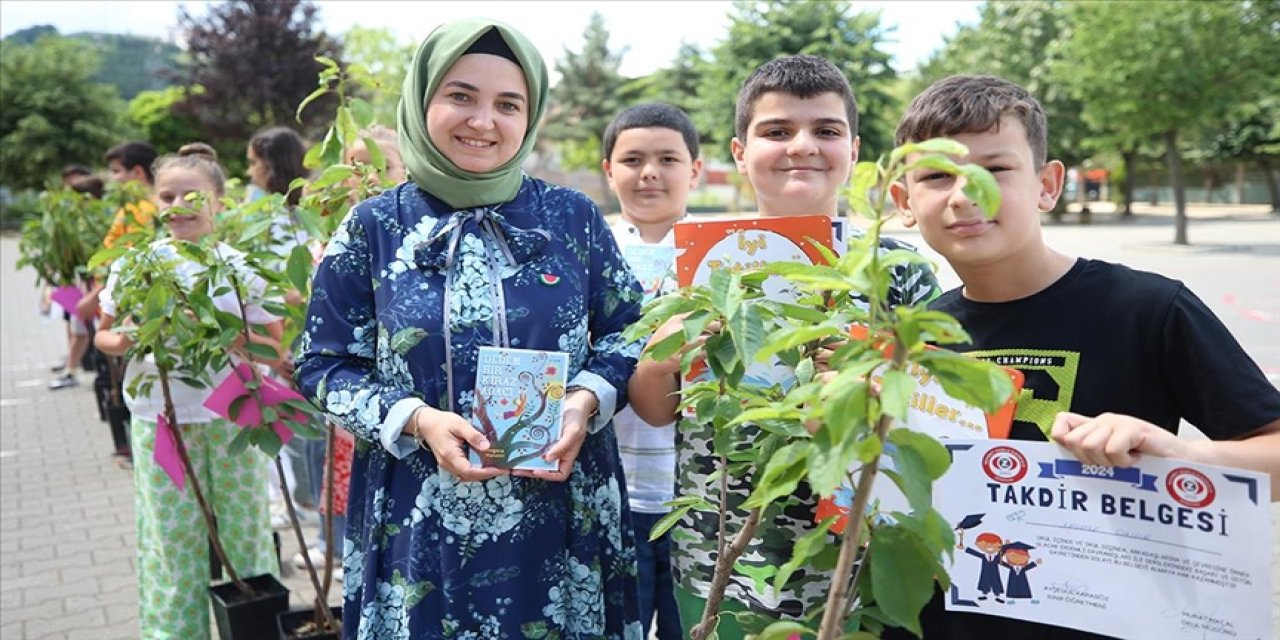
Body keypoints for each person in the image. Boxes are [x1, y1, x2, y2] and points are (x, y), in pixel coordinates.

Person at [886, 74, 1280, 639]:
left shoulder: (1150, 308)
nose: (964, 195)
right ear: (904, 202)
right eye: (935, 176)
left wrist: (1182, 456)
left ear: (1047, 184)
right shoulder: (909, 341)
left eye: (995, 170)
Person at [295, 19, 645, 638]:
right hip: (419, 515)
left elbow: (630, 330)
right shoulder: (373, 227)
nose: (484, 121)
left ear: (529, 116)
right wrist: (416, 419)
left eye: (508, 104)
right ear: (422, 99)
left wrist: (586, 399)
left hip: (563, 511)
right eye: (461, 96)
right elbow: (322, 364)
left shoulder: (573, 218)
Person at [626, 55, 941, 638]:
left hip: (855, 561)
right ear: (740, 153)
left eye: (826, 130)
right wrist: (667, 349)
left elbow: (940, 413)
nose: (802, 146)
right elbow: (655, 408)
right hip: (716, 555)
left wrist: (867, 384)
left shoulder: (896, 269)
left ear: (854, 149)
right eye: (776, 131)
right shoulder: (696, 265)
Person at [94, 142, 281, 639]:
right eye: (167, 197)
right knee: (172, 542)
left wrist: (218, 328)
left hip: (233, 417)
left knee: (246, 537)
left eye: (190, 196)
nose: (177, 208)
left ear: (218, 202)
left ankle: (256, 630)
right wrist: (134, 335)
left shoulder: (240, 269)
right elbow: (103, 334)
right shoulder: (137, 267)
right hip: (163, 421)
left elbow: (272, 348)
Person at [602, 102, 702, 640]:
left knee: (689, 626)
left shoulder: (723, 255)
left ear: (696, 170)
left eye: (668, 159)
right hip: (612, 487)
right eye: (632, 159)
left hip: (700, 494)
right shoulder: (589, 251)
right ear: (608, 170)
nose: (649, 173)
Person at [291, 125, 407, 575]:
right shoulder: (331, 238)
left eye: (382, 166)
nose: (368, 177)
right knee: (337, 469)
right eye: (356, 167)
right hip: (351, 388)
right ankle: (336, 544)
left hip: (401, 395)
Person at [48, 175, 107, 391]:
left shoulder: (100, 222)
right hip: (86, 285)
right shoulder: (80, 223)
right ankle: (72, 369)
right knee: (78, 326)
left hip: (99, 287)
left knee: (83, 327)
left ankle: (75, 370)